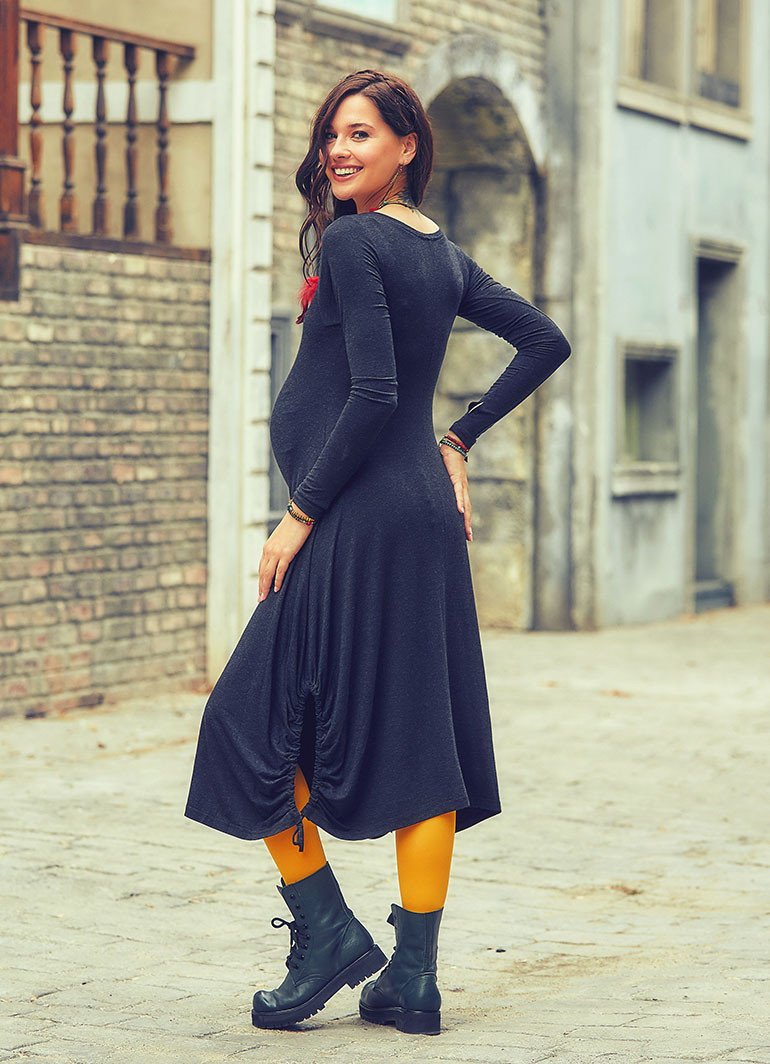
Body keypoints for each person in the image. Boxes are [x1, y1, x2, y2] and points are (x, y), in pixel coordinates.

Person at [185, 68, 571, 1036]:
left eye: (360, 133)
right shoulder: (438, 251)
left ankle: (325, 933)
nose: (338, 149)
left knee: (242, 720)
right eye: (331, 135)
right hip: (419, 520)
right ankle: (413, 979)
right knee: (417, 738)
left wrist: (298, 513)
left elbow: (370, 391)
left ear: (407, 145)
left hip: (352, 516)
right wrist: (456, 437)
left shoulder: (357, 240)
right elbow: (542, 339)